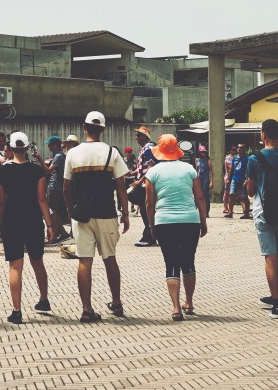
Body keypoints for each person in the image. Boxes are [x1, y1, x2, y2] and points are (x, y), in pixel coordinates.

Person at [62, 111, 130, 323]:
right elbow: (121, 186)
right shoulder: (112, 152)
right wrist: (125, 213)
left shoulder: (73, 153)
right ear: (103, 129)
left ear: (84, 127)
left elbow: (66, 187)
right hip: (106, 212)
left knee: (84, 260)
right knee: (110, 258)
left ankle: (86, 309)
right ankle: (116, 303)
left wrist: (70, 211)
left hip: (81, 214)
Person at [145, 134, 206, 321]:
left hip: (164, 222)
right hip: (190, 221)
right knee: (188, 262)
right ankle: (189, 302)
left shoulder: (152, 172)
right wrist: (203, 221)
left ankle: (176, 308)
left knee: (171, 263)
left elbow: (149, 203)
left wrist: (151, 226)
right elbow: (200, 197)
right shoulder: (189, 169)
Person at [0, 131, 52, 323]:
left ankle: (17, 310)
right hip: (33, 219)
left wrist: (0, 223)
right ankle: (44, 299)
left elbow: (0, 202)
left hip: (11, 220)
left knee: (15, 266)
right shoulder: (36, 170)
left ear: (10, 147)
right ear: (27, 147)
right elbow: (42, 199)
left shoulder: (3, 171)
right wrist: (49, 224)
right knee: (37, 261)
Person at [245, 118, 278, 319]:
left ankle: (276, 302)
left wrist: (248, 184)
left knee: (269, 255)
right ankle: (277, 295)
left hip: (263, 211)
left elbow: (250, 191)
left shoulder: (254, 158)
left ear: (263, 134)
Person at [129, 127, 157, 246]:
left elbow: (151, 167)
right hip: (143, 183)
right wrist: (132, 173)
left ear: (145, 136)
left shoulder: (149, 149)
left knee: (146, 210)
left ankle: (149, 236)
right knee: (144, 210)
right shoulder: (144, 149)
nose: (136, 137)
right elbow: (142, 168)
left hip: (146, 184)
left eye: (138, 135)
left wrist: (140, 181)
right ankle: (149, 234)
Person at [44, 135, 69, 242]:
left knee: (51, 211)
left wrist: (39, 159)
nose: (48, 146)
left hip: (54, 186)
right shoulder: (58, 155)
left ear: (55, 145)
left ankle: (53, 236)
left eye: (49, 144)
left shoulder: (58, 156)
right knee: (54, 210)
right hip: (55, 186)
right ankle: (63, 232)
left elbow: (48, 171)